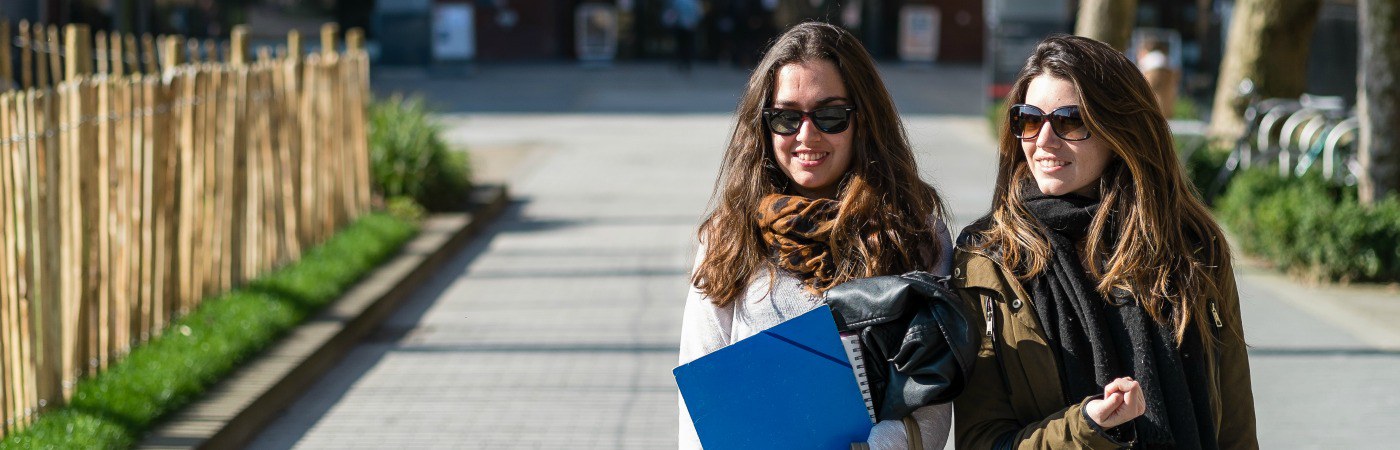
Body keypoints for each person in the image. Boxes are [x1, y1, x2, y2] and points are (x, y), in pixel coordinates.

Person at [951, 34, 1258, 449]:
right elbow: (982, 441)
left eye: (1069, 121)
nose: (1042, 140)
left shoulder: (1191, 247)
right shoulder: (988, 256)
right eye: (1028, 119)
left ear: (1119, 131)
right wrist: (1088, 428)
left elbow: (1236, 428)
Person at [678, 21, 955, 449]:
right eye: (787, 117)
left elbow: (933, 404)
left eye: (830, 115)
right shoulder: (729, 236)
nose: (806, 135)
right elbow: (700, 411)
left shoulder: (916, 235)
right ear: (764, 124)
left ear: (864, 120)